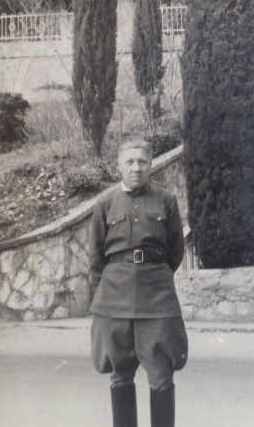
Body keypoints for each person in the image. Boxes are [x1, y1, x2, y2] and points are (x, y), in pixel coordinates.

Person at [89, 137, 188, 427]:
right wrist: (105, 293)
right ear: (119, 165)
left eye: (142, 161)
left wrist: (155, 275)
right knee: (119, 374)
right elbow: (96, 256)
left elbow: (176, 250)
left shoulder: (166, 200)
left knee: (161, 374)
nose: (136, 168)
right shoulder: (105, 203)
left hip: (156, 298)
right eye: (129, 162)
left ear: (150, 164)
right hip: (114, 299)